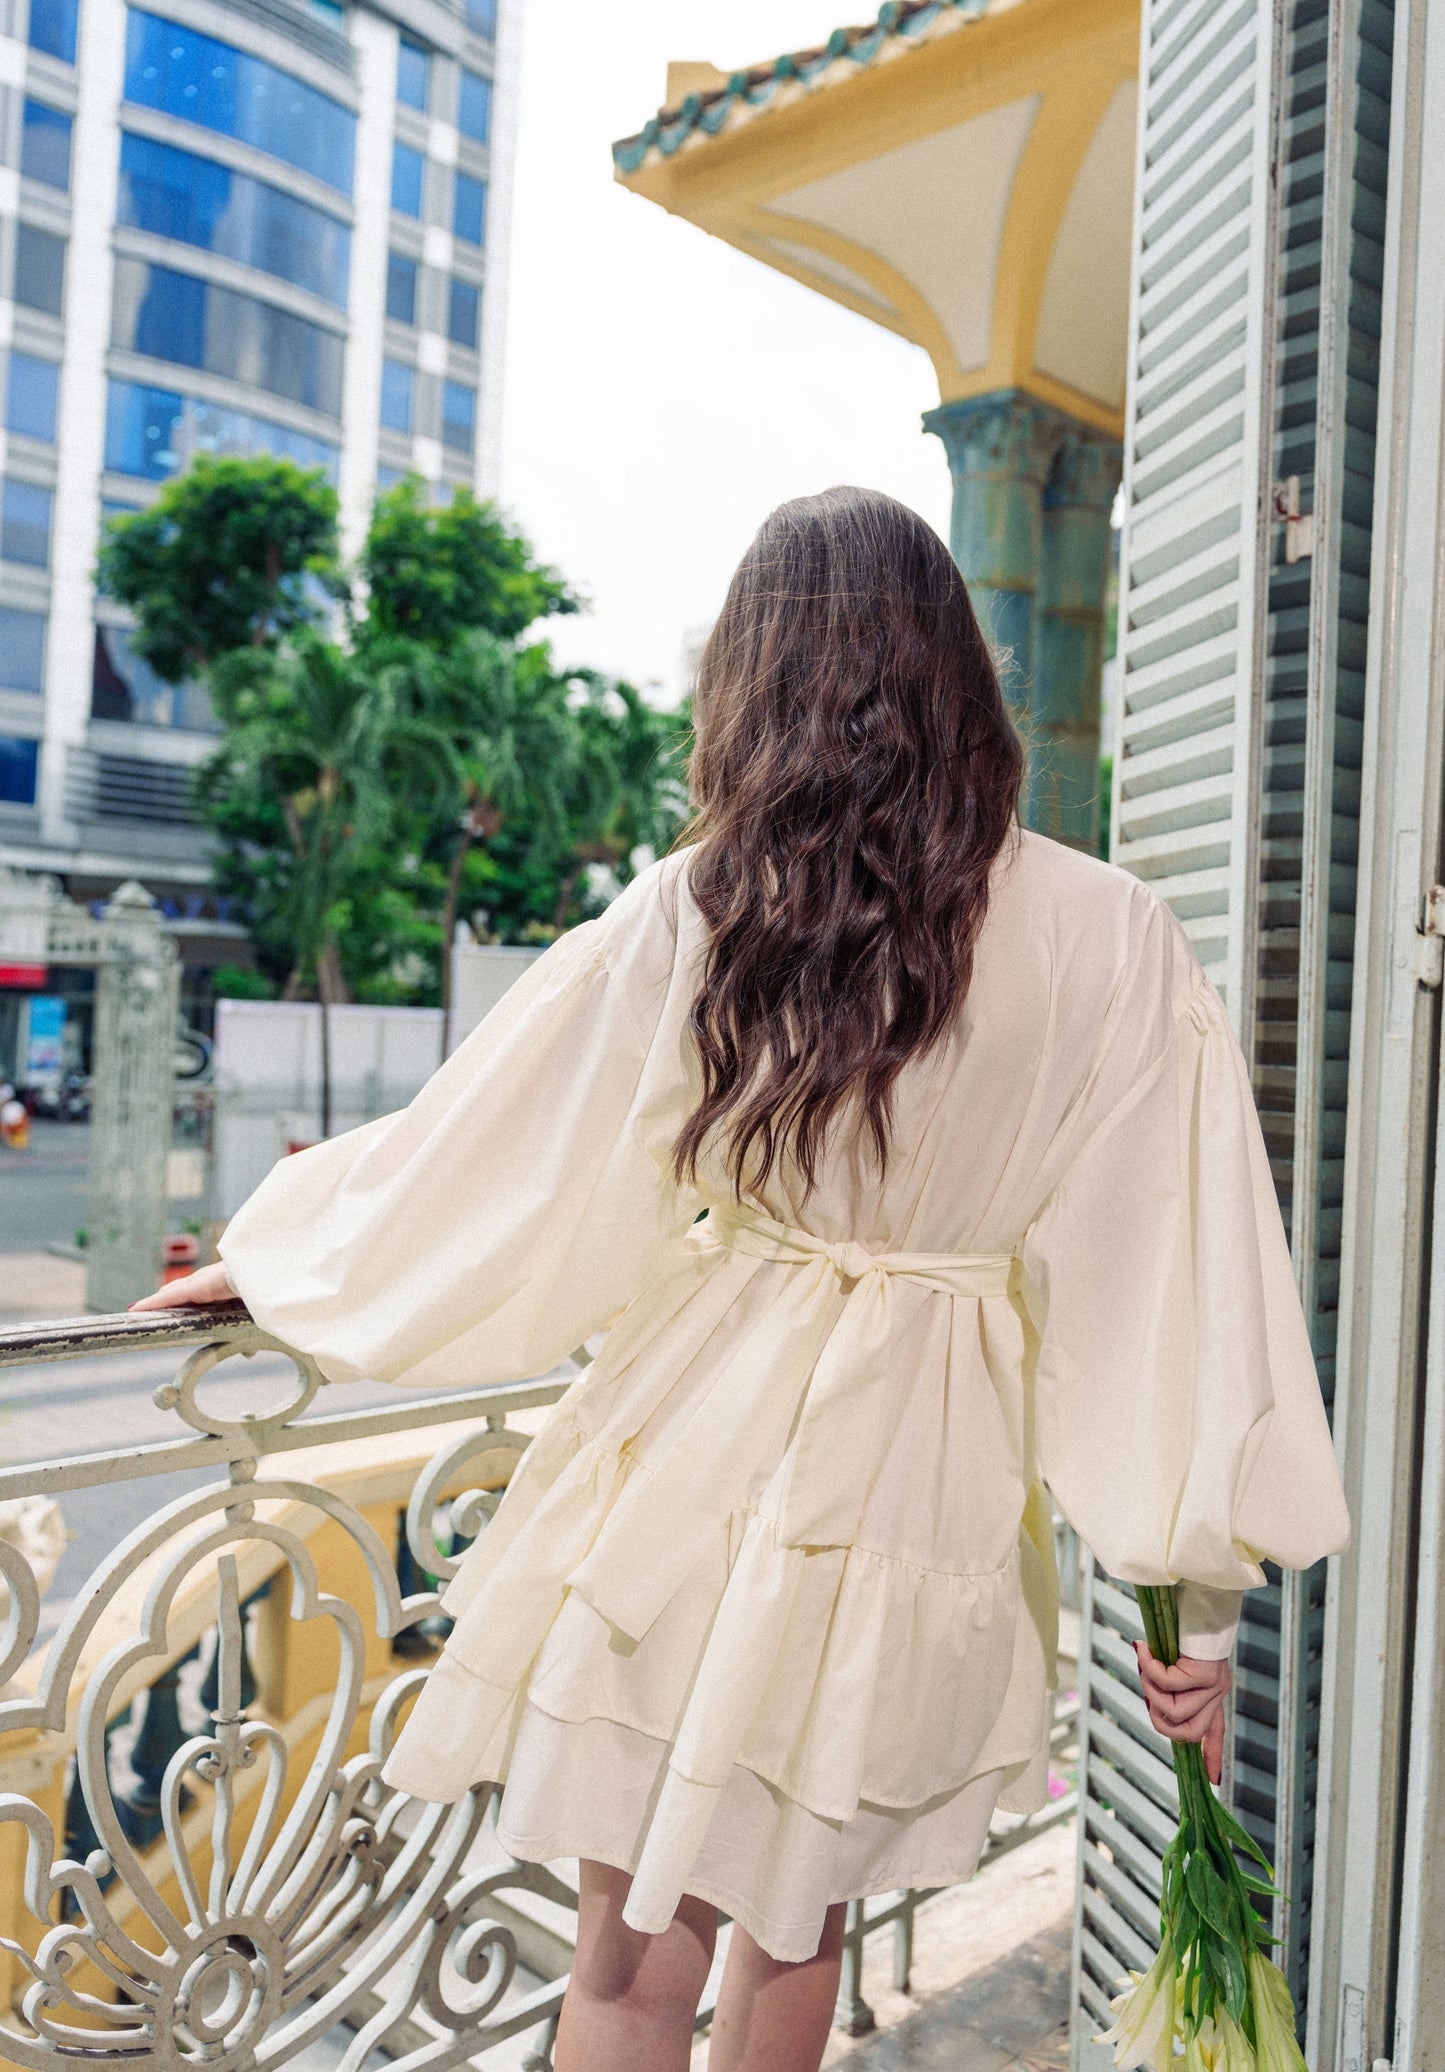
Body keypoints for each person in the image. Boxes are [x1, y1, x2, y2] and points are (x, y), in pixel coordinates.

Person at [138, 488, 1349, 2072]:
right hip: (919, 1472)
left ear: (755, 673)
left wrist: (285, 1254)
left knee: (626, 1966)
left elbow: (509, 1149)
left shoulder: (708, 904)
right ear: (958, 672)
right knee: (798, 1934)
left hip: (697, 1450)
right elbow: (1163, 1275)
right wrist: (1190, 1589)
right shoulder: (1109, 934)